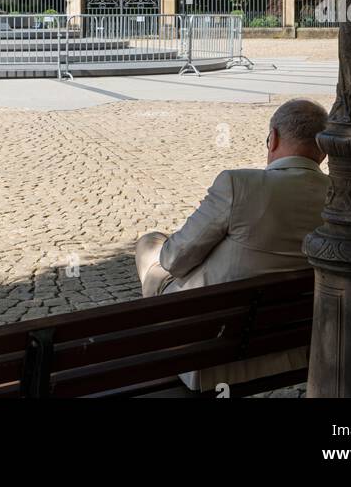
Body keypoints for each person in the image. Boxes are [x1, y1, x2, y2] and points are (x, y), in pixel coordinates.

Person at [134, 98, 329, 392]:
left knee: (150, 244)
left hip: (213, 348)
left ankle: (155, 345)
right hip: (294, 339)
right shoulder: (340, 197)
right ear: (323, 149)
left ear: (273, 138)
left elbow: (174, 259)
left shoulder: (237, 185)